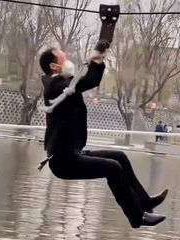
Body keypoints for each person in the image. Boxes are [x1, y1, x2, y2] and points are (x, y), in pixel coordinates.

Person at [38, 47, 168, 228]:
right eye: (63, 58)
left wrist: (98, 59)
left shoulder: (64, 84)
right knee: (113, 168)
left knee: (119, 157)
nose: (68, 59)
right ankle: (137, 217)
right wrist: (92, 64)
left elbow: (90, 80)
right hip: (63, 162)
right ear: (53, 66)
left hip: (73, 154)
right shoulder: (54, 88)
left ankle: (144, 201)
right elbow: (81, 84)